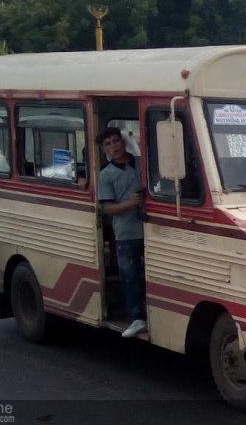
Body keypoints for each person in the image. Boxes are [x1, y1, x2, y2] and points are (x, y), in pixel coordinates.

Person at [96, 127, 147, 338]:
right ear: (104, 150)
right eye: (108, 144)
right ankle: (137, 318)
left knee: (152, 274)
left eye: (116, 141)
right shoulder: (106, 175)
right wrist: (130, 203)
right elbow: (107, 208)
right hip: (126, 232)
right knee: (129, 276)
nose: (113, 146)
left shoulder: (141, 162)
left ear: (123, 142)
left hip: (151, 229)